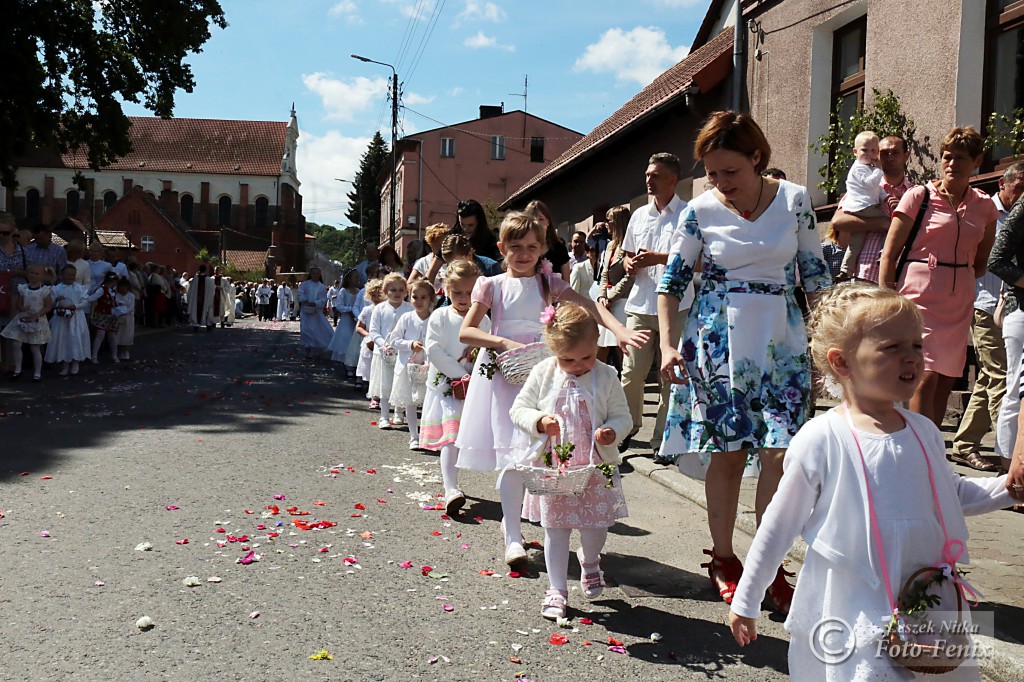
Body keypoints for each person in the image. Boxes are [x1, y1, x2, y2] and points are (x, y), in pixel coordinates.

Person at [729, 283, 1014, 679]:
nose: (912, 357)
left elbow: (951, 493)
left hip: (923, 595)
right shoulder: (822, 437)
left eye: (916, 345)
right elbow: (779, 525)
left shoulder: (924, 431)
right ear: (842, 362)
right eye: (892, 347)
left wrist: (1009, 488)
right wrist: (747, 598)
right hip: (855, 597)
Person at [657, 111, 832, 611]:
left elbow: (817, 282)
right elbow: (671, 285)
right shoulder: (699, 209)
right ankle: (725, 558)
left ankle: (768, 562)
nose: (720, 183)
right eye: (712, 173)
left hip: (783, 341)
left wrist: (825, 349)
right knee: (729, 454)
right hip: (717, 343)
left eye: (729, 171)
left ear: (758, 158)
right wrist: (669, 346)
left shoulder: (795, 200)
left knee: (782, 455)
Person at [456, 211, 646, 568]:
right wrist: (502, 342)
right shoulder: (491, 285)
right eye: (515, 247)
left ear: (543, 248)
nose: (524, 254)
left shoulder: (550, 284)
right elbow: (467, 331)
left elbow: (591, 306)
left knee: (534, 452)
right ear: (502, 248)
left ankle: (536, 524)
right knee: (512, 458)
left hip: (544, 376)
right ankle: (512, 534)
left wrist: (619, 331)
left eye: (531, 247)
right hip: (504, 375)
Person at [511, 303, 631, 620]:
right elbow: (519, 408)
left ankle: (590, 560)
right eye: (568, 359)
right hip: (555, 469)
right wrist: (539, 421)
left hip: (595, 466)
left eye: (586, 357)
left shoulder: (606, 376)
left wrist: (612, 431)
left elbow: (624, 415)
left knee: (596, 526)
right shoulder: (543, 373)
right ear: (554, 351)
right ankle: (557, 589)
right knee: (557, 529)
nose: (578, 366)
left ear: (597, 346)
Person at [878, 126, 998, 427]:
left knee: (946, 378)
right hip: (919, 296)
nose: (952, 164)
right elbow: (889, 253)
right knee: (924, 375)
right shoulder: (919, 196)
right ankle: (923, 451)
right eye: (947, 157)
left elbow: (983, 260)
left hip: (958, 301)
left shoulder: (984, 205)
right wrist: (887, 299)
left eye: (960, 158)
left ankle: (929, 444)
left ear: (977, 161)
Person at [621, 152, 694, 460]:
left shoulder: (689, 213)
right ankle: (626, 428)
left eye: (655, 175)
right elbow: (625, 254)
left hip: (677, 306)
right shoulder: (638, 215)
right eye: (647, 174)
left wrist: (659, 258)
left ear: (673, 180)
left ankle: (662, 442)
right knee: (631, 372)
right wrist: (629, 264)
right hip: (639, 303)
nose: (648, 180)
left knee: (671, 377)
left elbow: (698, 260)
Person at [954, 161, 1024, 471]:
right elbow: (992, 260)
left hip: (1000, 303)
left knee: (990, 375)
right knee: (1003, 378)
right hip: (981, 303)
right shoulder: (985, 212)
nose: (1023, 194)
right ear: (1003, 186)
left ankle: (965, 443)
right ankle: (1009, 455)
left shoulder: (1017, 216)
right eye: (1019, 187)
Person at [421, 260, 487, 514]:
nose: (463, 298)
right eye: (457, 292)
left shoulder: (482, 319)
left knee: (464, 438)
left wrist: (478, 350)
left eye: (469, 293)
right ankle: (451, 489)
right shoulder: (440, 316)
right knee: (450, 438)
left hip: (475, 387)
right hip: (448, 387)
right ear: (447, 290)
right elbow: (434, 350)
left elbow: (488, 349)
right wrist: (460, 375)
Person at [831, 134, 914, 283]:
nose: (889, 157)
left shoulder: (915, 193)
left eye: (895, 152)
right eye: (884, 153)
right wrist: (881, 223)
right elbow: (838, 221)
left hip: (901, 274)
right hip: (865, 271)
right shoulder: (864, 188)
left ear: (906, 156)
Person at [987, 164, 1024, 474]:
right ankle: (1009, 467)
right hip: (1020, 310)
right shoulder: (1021, 209)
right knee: (1014, 387)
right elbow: (995, 260)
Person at [836, 131, 889, 280]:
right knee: (891, 223)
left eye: (873, 151)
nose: (869, 154)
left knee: (856, 241)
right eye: (864, 150)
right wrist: (879, 169)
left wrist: (885, 198)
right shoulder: (859, 168)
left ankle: (845, 270)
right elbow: (870, 183)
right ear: (855, 152)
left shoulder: (868, 168)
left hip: (861, 208)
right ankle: (884, 252)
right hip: (864, 207)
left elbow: (877, 189)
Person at [389, 279, 435, 450]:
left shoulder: (435, 318)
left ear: (431, 299)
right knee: (410, 401)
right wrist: (410, 344)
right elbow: (394, 340)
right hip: (408, 367)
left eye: (423, 297)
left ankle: (426, 434)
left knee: (428, 401)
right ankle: (414, 436)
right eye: (415, 297)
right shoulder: (406, 318)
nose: (419, 301)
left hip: (429, 366)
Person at [369, 273, 413, 428]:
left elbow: (412, 329)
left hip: (403, 353)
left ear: (406, 292)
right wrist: (383, 344)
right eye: (393, 290)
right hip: (383, 354)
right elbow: (374, 331)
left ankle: (399, 412)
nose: (397, 293)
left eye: (401, 290)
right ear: (385, 291)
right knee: (385, 385)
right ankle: (384, 416)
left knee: (401, 383)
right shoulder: (380, 309)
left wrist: (406, 344)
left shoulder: (409, 309)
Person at [595, 207, 634, 366]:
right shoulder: (611, 245)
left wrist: (611, 297)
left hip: (622, 301)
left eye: (609, 220)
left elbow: (630, 277)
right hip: (607, 302)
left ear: (618, 222)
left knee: (620, 347)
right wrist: (602, 296)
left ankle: (623, 382)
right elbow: (604, 273)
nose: (606, 224)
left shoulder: (631, 246)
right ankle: (599, 384)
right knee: (601, 346)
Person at [1, 263, 53, 381]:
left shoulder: (45, 290)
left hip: (37, 320)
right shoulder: (23, 288)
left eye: (36, 273)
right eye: (31, 273)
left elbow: (48, 306)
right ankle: (18, 369)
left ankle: (37, 373)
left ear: (42, 276)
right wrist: (21, 307)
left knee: (35, 347)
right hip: (22, 319)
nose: (33, 275)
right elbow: (19, 303)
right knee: (16, 344)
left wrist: (38, 315)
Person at [46, 264, 90, 376]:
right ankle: (65, 364)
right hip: (61, 318)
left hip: (76, 318)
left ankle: (76, 362)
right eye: (68, 275)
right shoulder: (56, 288)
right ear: (62, 275)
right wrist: (57, 301)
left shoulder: (80, 288)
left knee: (75, 338)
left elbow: (85, 301)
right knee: (63, 340)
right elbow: (50, 304)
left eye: (73, 275)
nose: (70, 277)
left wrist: (75, 306)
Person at [0, 213, 29, 372]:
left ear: (12, 232)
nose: (2, 236)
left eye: (5, 233)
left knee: (12, 331)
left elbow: (32, 272)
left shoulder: (23, 252)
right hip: (0, 294)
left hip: (16, 296)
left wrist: (19, 272)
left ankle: (11, 364)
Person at [349, 279, 385, 398]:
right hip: (370, 339)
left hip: (383, 340)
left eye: (379, 295)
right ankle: (363, 380)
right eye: (373, 295)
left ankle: (377, 386)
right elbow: (359, 327)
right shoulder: (367, 310)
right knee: (366, 359)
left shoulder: (387, 309)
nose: (376, 298)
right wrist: (368, 335)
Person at [327, 269, 362, 376]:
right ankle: (347, 365)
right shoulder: (343, 291)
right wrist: (350, 310)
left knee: (355, 341)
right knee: (347, 340)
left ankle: (354, 363)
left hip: (356, 320)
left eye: (358, 277)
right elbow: (339, 306)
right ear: (348, 279)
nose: (357, 279)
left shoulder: (359, 291)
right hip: (347, 320)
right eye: (355, 277)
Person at [524, 200, 570, 281]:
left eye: (541, 219)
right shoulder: (523, 249)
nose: (537, 223)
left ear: (548, 222)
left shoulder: (559, 249)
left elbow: (566, 282)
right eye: (533, 220)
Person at [297, 267, 334, 358]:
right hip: (305, 311)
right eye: (313, 273)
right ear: (311, 274)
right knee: (306, 329)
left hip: (315, 313)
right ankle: (307, 348)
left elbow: (323, 299)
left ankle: (314, 348)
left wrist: (315, 303)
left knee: (315, 329)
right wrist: (305, 300)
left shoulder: (321, 287)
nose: (315, 275)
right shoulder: (305, 284)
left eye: (317, 274)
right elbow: (300, 294)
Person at [88, 271, 120, 364]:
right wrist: (85, 300)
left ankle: (114, 355)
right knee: (100, 336)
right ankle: (94, 356)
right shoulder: (102, 289)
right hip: (102, 315)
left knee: (112, 336)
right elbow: (93, 298)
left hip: (111, 315)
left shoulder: (113, 291)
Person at [408, 223, 450, 289]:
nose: (442, 249)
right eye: (438, 245)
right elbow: (409, 286)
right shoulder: (423, 262)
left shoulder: (453, 260)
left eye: (444, 245)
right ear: (430, 244)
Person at [186, 264, 215, 331]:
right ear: (205, 270)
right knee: (208, 310)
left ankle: (196, 325)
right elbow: (212, 290)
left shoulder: (195, 279)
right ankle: (208, 325)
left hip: (196, 300)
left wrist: (190, 299)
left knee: (196, 310)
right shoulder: (209, 280)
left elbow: (190, 291)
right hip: (206, 299)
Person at [113, 277, 136, 361]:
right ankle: (120, 351)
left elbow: (131, 307)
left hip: (128, 317)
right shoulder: (117, 295)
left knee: (127, 335)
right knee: (119, 335)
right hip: (118, 317)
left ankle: (126, 351)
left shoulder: (131, 295)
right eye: (121, 287)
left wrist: (124, 311)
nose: (123, 289)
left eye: (124, 287)